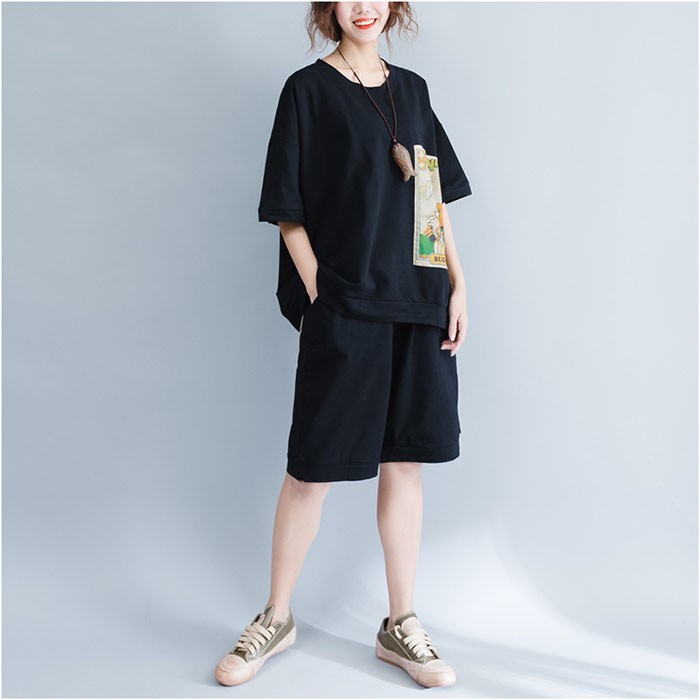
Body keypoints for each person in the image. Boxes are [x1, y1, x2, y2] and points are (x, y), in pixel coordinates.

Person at [214, 1, 472, 689]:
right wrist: (321, 293)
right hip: (347, 304)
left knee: (406, 463)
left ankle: (401, 624)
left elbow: (431, 195)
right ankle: (276, 617)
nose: (364, 6)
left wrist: (458, 284)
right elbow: (287, 209)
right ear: (328, 6)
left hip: (418, 299)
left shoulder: (413, 90)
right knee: (312, 470)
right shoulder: (307, 91)